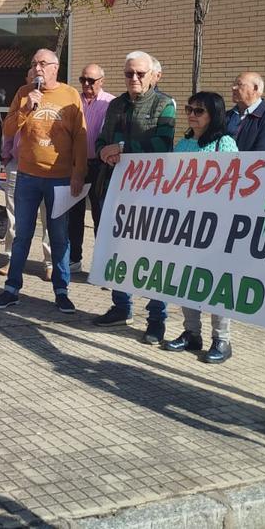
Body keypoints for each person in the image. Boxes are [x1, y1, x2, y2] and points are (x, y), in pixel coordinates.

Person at [0, 49, 86, 315]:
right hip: (28, 176)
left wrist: (79, 173)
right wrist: (25, 107)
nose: (38, 68)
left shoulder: (70, 95)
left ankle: (62, 291)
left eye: (43, 63)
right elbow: (8, 130)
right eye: (34, 64)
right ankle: (11, 289)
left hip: (60, 178)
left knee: (59, 236)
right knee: (22, 235)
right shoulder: (23, 92)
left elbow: (80, 136)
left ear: (56, 67)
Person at [92, 51, 177, 343]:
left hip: (151, 192)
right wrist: (105, 150)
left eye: (140, 73)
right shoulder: (116, 104)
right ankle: (120, 306)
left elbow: (162, 144)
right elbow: (102, 138)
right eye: (129, 74)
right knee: (117, 249)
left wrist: (123, 149)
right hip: (115, 187)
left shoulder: (166, 105)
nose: (135, 79)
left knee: (153, 255)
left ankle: (156, 318)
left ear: (156, 76)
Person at [160, 92, 241, 364]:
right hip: (185, 224)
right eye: (189, 109)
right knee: (185, 281)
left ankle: (222, 339)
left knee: (215, 282)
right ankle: (191, 332)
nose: (192, 114)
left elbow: (234, 184)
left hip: (215, 226)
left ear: (213, 115)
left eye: (199, 111)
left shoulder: (225, 144)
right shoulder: (183, 144)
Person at [0, 66, 51, 280]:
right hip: (18, 165)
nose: (35, 81)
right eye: (31, 77)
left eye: (38, 77)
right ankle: (12, 258)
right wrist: (6, 156)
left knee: (49, 216)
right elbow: (8, 129)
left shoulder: (54, 99)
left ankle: (50, 262)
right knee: (14, 215)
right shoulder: (20, 98)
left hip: (46, 168)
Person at [67, 63, 114, 274]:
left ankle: (103, 266)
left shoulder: (111, 103)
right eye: (82, 79)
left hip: (100, 166)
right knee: (74, 215)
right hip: (77, 164)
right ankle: (74, 259)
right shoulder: (73, 101)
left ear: (101, 81)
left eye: (91, 81)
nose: (86, 84)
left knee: (101, 215)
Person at [227, 71, 265, 151]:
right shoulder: (227, 116)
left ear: (255, 88)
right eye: (234, 84)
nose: (233, 88)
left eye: (239, 84)